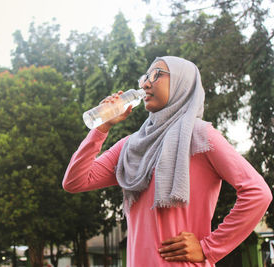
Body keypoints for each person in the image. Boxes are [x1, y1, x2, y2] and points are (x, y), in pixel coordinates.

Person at [62, 56, 272, 266]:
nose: (145, 84)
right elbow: (75, 181)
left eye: (157, 75)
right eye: (145, 77)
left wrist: (209, 248)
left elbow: (258, 193)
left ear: (182, 83)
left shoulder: (199, 134)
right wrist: (102, 128)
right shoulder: (131, 146)